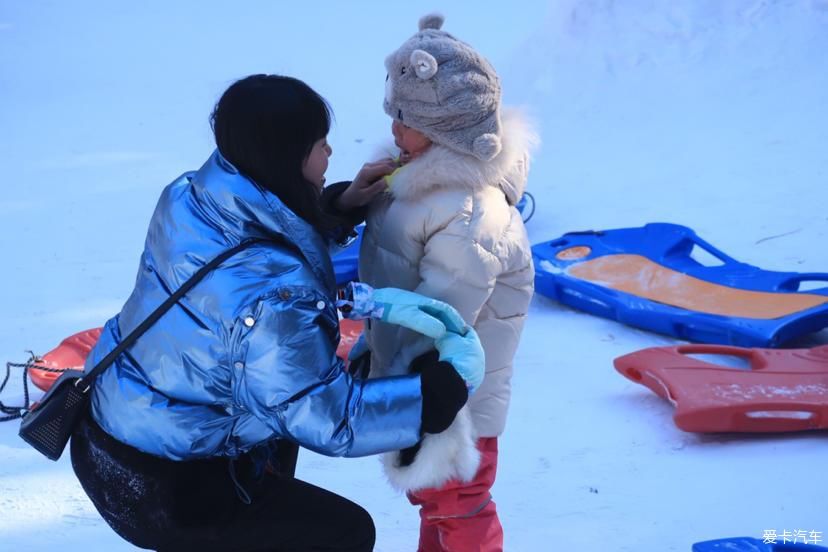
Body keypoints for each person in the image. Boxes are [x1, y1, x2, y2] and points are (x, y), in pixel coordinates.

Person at [69, 73, 485, 552]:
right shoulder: (278, 297)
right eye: (319, 144)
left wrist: (336, 207)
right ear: (285, 157)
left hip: (107, 428)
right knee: (344, 532)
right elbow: (329, 418)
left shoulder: (189, 196)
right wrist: (429, 397)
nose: (330, 154)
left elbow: (248, 253)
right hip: (162, 484)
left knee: (275, 436)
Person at [328, 14, 537, 552]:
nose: (394, 131)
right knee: (438, 500)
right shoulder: (422, 186)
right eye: (393, 115)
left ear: (450, 131)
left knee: (459, 504)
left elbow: (447, 311)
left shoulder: (472, 212)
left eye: (406, 120)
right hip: (420, 379)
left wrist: (408, 379)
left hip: (453, 393)